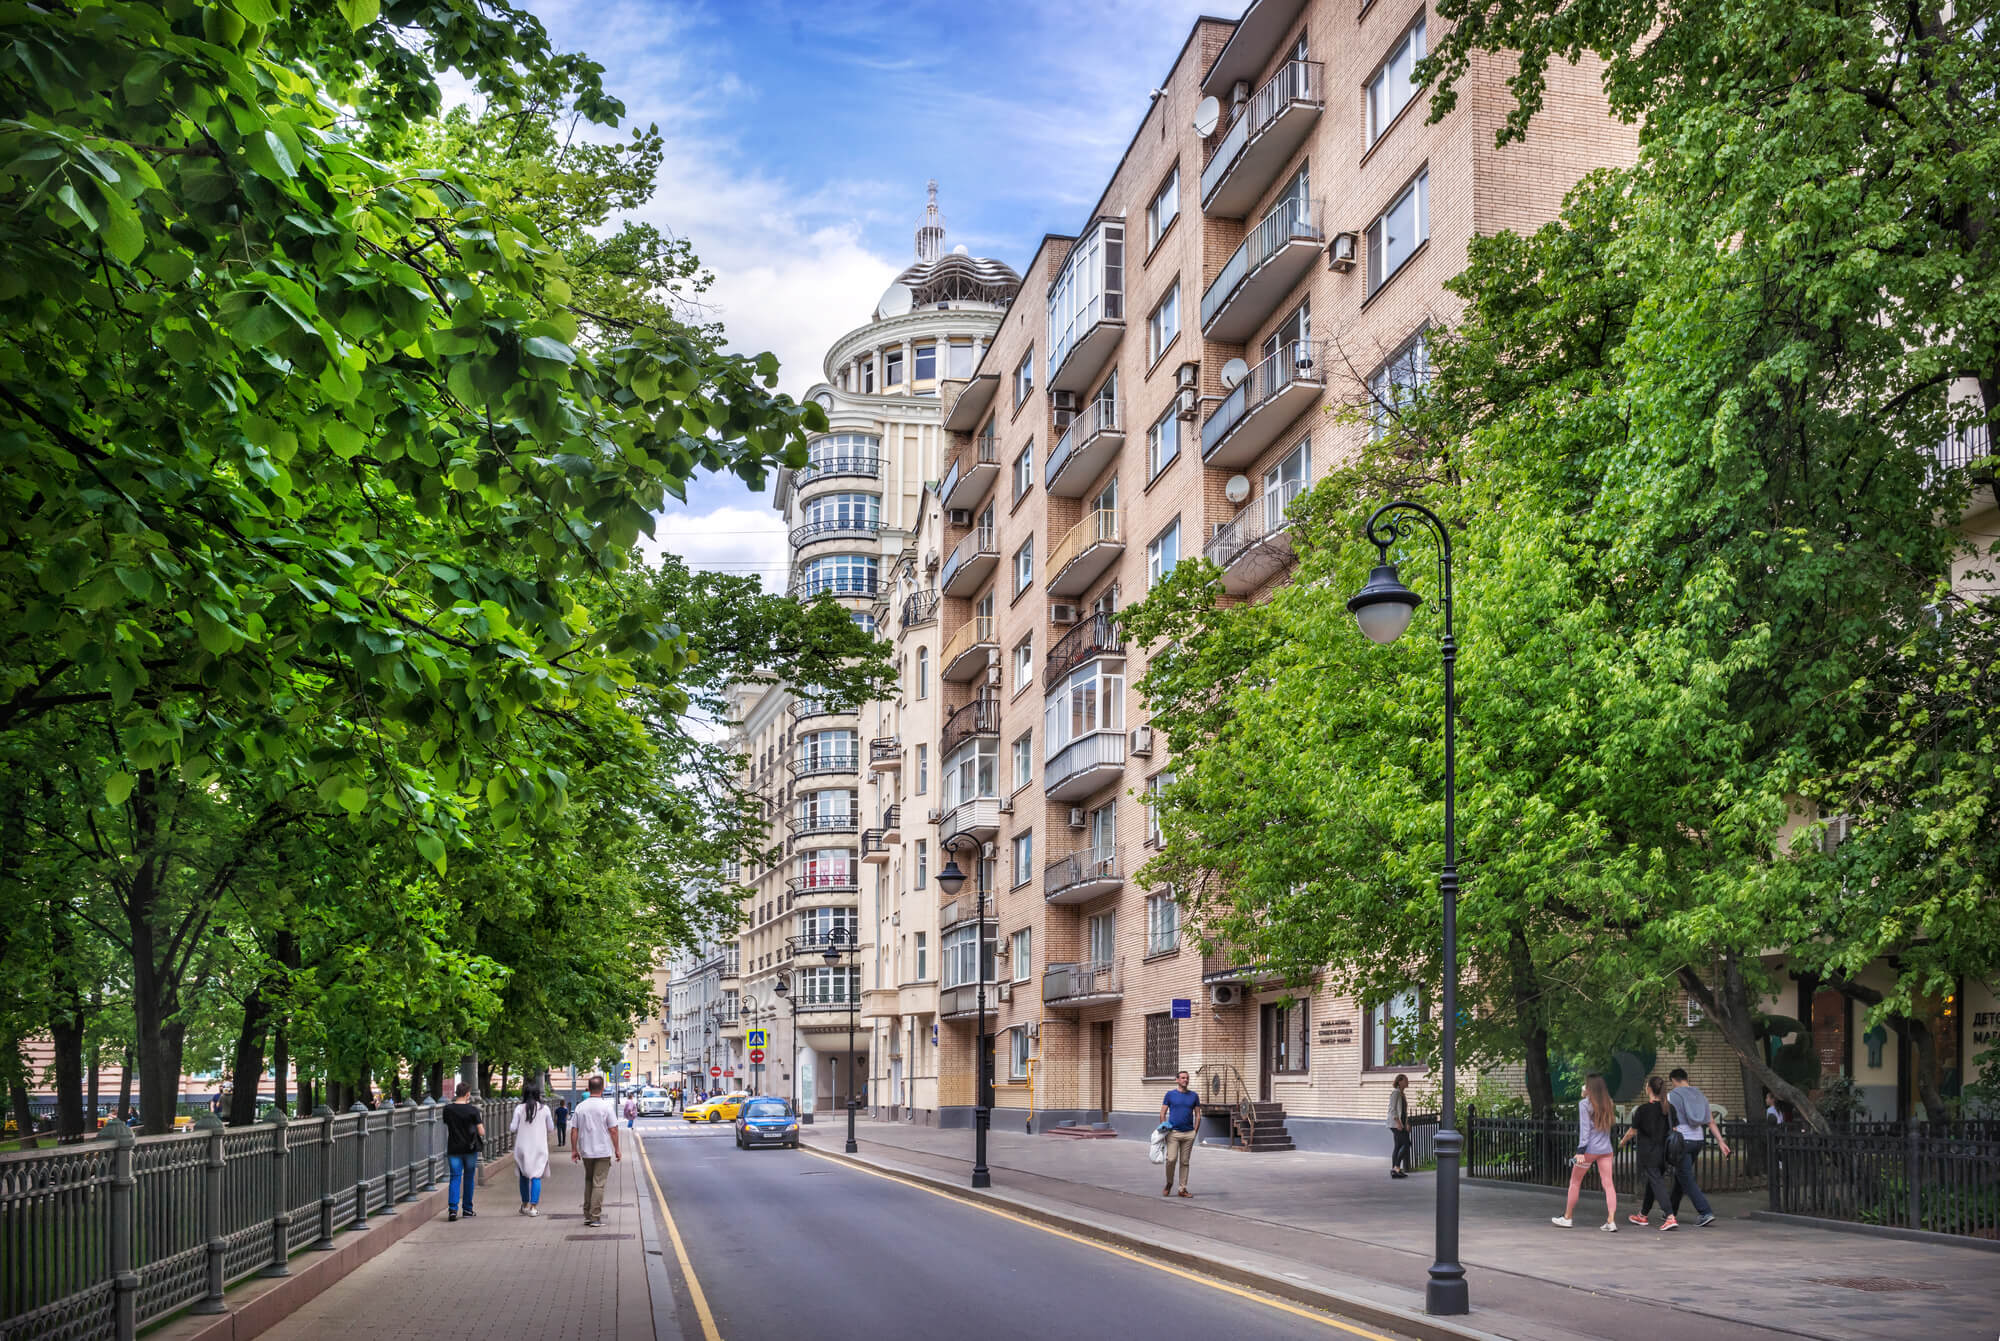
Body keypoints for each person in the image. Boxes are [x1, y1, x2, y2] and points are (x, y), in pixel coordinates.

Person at [1551, 1072, 1618, 1230]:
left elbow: (1585, 1130)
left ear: (1589, 1088)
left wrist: (1580, 1151)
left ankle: (1567, 1217)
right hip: (1606, 1150)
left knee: (1574, 1182)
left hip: (1588, 1151)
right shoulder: (1609, 1102)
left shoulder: (1584, 1104)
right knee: (1608, 1184)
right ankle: (1611, 1220)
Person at [1666, 1068, 1730, 1227]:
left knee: (1685, 1178)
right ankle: (1670, 1212)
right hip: (1698, 1140)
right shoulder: (1700, 1095)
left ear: (1673, 1080)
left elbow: (1667, 1119)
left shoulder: (1672, 1096)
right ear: (1686, 1078)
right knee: (1682, 1176)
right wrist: (1721, 1141)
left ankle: (1705, 1212)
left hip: (1682, 1140)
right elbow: (1710, 1121)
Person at [1622, 1076, 1681, 1230]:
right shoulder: (1670, 1108)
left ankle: (1670, 1216)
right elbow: (1674, 1131)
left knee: (1657, 1183)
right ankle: (1643, 1215)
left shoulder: (1643, 1110)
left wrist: (1622, 1142)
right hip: (1665, 1154)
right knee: (1653, 1182)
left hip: (1648, 1153)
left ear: (1648, 1088)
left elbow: (1632, 1132)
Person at [570, 1074, 622, 1228]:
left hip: (586, 1150)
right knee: (598, 1184)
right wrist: (617, 1149)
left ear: (589, 1088)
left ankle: (587, 1215)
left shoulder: (581, 1106)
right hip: (603, 1151)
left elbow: (574, 1130)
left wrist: (574, 1150)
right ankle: (595, 1217)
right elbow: (613, 1130)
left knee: (588, 1181)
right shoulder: (606, 1107)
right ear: (602, 1089)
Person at [510, 1082, 556, 1217]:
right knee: (536, 1176)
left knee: (524, 1176)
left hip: (522, 1147)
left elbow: (512, 1128)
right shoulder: (545, 1109)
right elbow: (551, 1128)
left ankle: (524, 1205)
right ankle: (533, 1207)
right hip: (539, 1147)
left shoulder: (519, 1108)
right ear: (538, 1095)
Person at [441, 1082, 484, 1222]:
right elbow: (481, 1132)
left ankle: (452, 1210)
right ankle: (467, 1210)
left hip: (454, 1147)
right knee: (469, 1178)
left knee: (455, 1177)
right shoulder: (473, 1110)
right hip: (470, 1149)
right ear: (467, 1094)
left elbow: (448, 1124)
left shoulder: (448, 1109)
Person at [1158, 1070, 1201, 1199]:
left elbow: (1198, 1115)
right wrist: (1165, 1129)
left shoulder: (1194, 1096)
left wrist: (1195, 1131)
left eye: (1187, 1078)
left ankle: (1182, 1188)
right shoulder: (1170, 1095)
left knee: (1185, 1162)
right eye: (1182, 1078)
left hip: (1188, 1134)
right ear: (1177, 1080)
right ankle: (1169, 1183)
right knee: (1171, 1159)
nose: (1185, 1080)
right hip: (1173, 1133)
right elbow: (1162, 1113)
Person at [1387, 1074, 1413, 1179]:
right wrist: (1398, 1123)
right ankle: (1396, 1168)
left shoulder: (1402, 1094)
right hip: (1395, 1124)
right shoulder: (1395, 1093)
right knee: (1406, 1144)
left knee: (1398, 1145)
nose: (1408, 1082)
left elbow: (1404, 1111)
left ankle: (1395, 1170)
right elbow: (1392, 1109)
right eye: (1406, 1080)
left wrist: (1406, 1123)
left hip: (1401, 1123)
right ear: (1399, 1081)